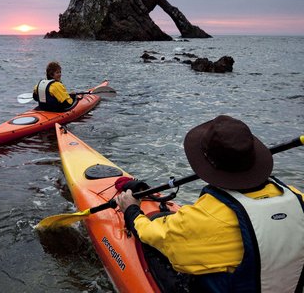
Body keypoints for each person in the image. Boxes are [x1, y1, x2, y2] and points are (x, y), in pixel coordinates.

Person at [116, 115, 304, 292]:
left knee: (153, 249)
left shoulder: (207, 217)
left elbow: (155, 236)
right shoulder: (297, 197)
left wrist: (132, 210)